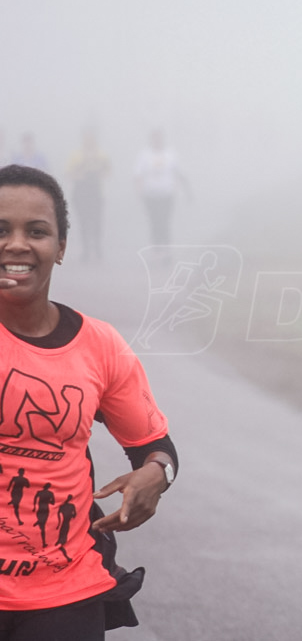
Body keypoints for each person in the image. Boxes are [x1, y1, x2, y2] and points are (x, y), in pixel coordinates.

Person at [0, 164, 179, 640]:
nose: (16, 244)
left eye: (36, 231)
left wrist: (157, 475)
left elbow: (156, 447)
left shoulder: (99, 345)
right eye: (1, 230)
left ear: (60, 248)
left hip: (65, 593)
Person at [133, 129, 190, 253]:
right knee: (154, 221)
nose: (157, 140)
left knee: (165, 221)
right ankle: (156, 248)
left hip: (167, 195)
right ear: (151, 139)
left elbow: (179, 172)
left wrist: (186, 191)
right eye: (154, 138)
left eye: (159, 138)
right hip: (150, 195)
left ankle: (167, 249)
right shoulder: (144, 155)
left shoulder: (171, 154)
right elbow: (138, 175)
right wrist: (138, 192)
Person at [66, 127, 112, 263]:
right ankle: (86, 249)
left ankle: (97, 248)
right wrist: (80, 175)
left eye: (91, 138)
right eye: (86, 138)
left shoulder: (101, 155)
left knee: (97, 221)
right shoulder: (76, 155)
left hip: (96, 192)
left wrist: (98, 174)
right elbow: (69, 173)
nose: (89, 141)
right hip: (81, 192)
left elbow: (108, 171)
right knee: (83, 221)